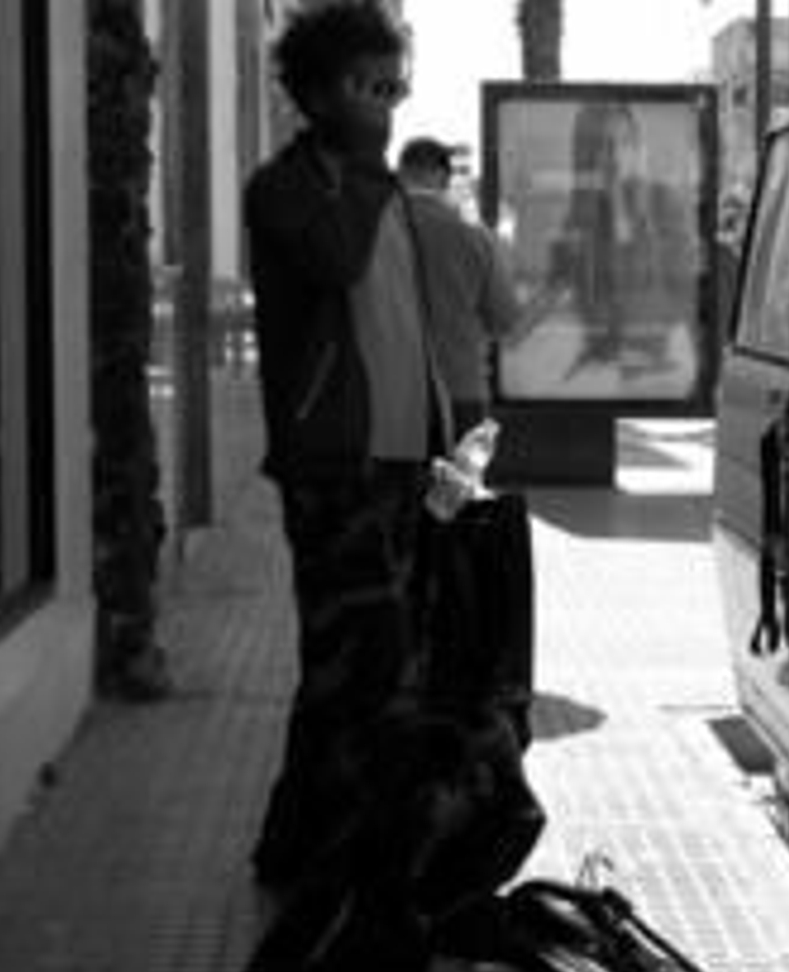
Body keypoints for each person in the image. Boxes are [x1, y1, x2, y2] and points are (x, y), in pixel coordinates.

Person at [242, 0, 438, 889]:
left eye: (393, 86)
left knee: (352, 665)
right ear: (316, 93)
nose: (385, 107)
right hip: (332, 466)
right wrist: (363, 171)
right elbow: (331, 262)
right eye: (367, 87)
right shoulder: (289, 188)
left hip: (396, 462)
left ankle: (303, 847)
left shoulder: (381, 188)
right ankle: (351, 861)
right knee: (368, 666)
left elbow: (399, 321)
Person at [553, 101, 698, 379]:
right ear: (586, 154)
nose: (616, 155)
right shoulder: (581, 211)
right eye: (602, 145)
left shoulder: (661, 200)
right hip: (602, 361)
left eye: (626, 142)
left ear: (639, 145)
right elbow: (571, 292)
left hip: (656, 361)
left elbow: (684, 289)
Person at [397, 135, 522, 434]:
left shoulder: (374, 231)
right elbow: (504, 319)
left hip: (390, 391)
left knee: (396, 481)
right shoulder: (475, 237)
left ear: (400, 173)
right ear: (444, 177)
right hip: (461, 389)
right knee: (457, 480)